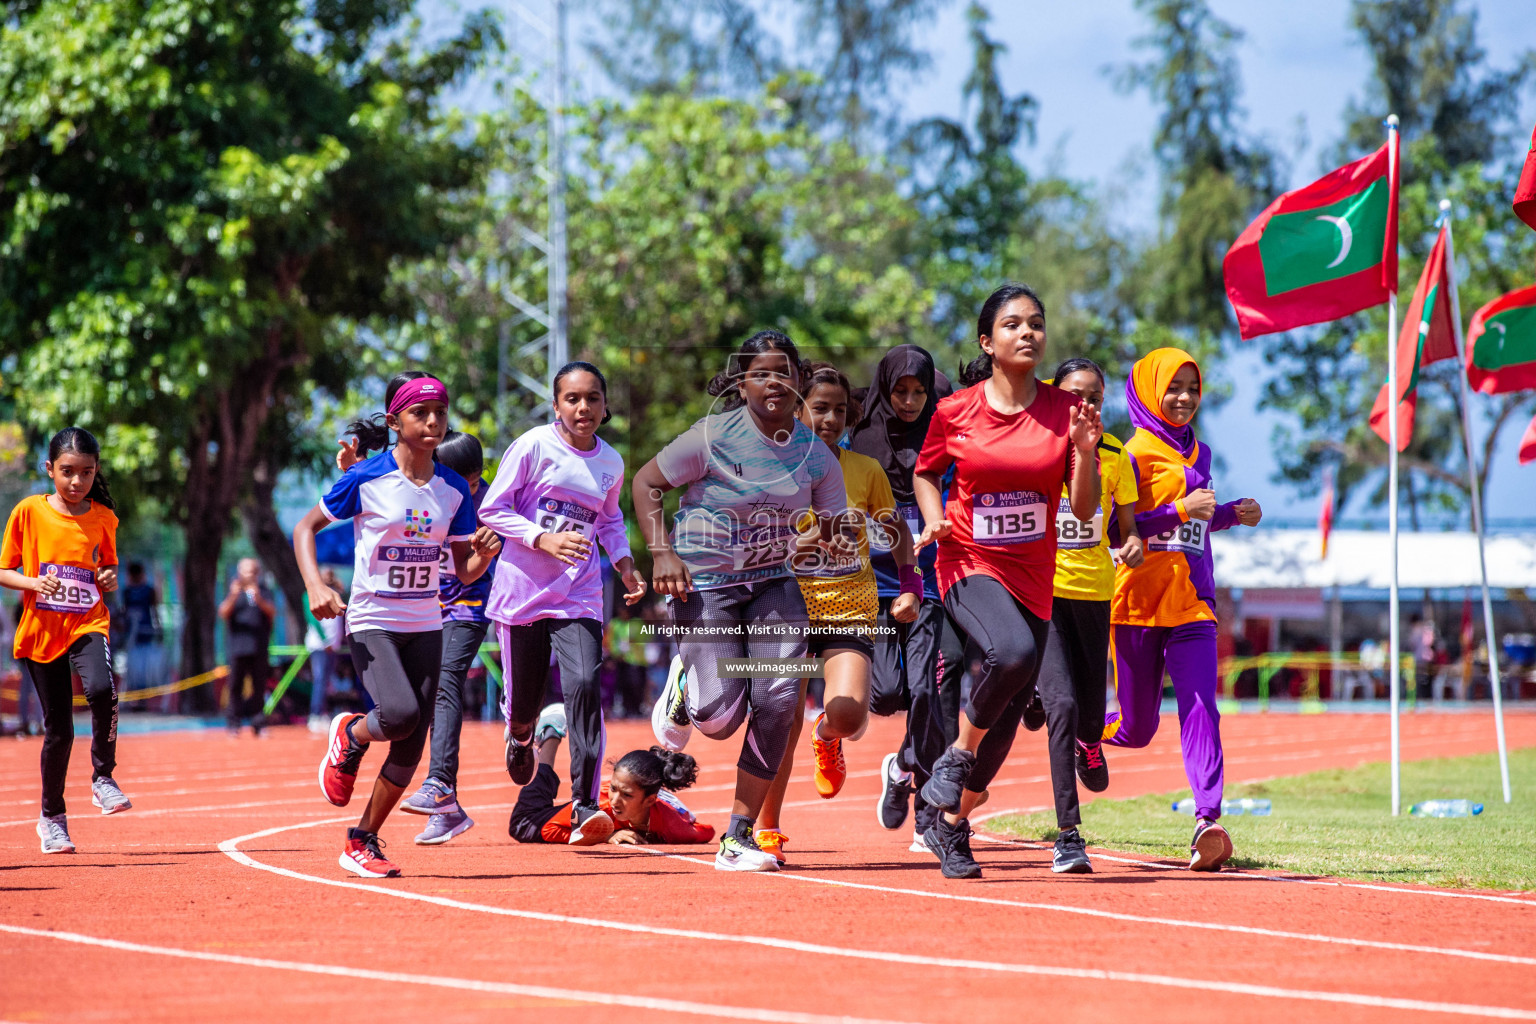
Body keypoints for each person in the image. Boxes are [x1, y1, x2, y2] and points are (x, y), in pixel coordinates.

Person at [633, 330, 848, 873]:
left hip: (775, 583)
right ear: (741, 382)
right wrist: (662, 555)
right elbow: (646, 483)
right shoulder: (711, 437)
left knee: (779, 701)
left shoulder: (816, 455)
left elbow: (831, 527)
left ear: (799, 381)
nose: (774, 383)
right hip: (705, 585)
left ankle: (738, 836)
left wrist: (815, 538)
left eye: (784, 372)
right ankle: (687, 684)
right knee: (720, 720)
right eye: (761, 373)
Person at [912, 284, 1102, 880]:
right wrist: (934, 517)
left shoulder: (1064, 412)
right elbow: (925, 472)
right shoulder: (955, 412)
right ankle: (956, 754)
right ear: (987, 342)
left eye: (1037, 324)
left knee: (1007, 713)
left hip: (1033, 575)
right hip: (967, 562)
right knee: (1012, 653)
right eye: (1014, 324)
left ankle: (949, 827)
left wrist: (1088, 452)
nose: (1028, 333)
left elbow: (1084, 506)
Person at [294, 371, 500, 878]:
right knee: (402, 712)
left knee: (411, 741)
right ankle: (352, 734)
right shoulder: (367, 478)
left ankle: (362, 838)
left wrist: (485, 557)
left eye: (440, 414)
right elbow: (305, 528)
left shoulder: (454, 488)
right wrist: (315, 587)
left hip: (427, 620)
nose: (433, 423)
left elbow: (459, 569)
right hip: (372, 619)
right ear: (395, 421)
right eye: (420, 414)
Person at [753, 361, 920, 864]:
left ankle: (827, 737)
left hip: (850, 608)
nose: (830, 418)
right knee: (780, 720)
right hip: (787, 607)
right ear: (798, 409)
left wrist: (909, 585)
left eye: (841, 411)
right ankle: (767, 829)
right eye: (820, 407)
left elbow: (899, 536)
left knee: (848, 712)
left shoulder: (866, 472)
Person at [1103, 347, 1263, 872]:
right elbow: (1115, 530)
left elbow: (1198, 521)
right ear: (1149, 390)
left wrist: (1232, 514)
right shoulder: (1132, 453)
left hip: (1193, 602)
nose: (1184, 398)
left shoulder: (1204, 453)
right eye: (1174, 387)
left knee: (1201, 710)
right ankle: (1080, 724)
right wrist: (1176, 509)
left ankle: (1207, 821)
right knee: (1136, 729)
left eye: (1193, 388)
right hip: (1137, 605)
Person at [478, 361, 646, 849]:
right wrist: (541, 538)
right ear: (556, 405)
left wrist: (624, 561)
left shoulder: (610, 462)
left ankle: (586, 803)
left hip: (579, 592)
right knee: (525, 703)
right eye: (572, 399)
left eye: (592, 398)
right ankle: (522, 733)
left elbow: (610, 519)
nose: (583, 407)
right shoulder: (533, 446)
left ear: (605, 404)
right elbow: (494, 508)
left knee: (585, 685)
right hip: (524, 591)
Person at [1026, 357, 1145, 873]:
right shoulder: (1037, 452)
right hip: (1044, 592)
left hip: (1096, 593)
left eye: (1095, 396)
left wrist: (1135, 544)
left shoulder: (1117, 455)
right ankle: (1069, 836)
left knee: (1090, 714)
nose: (1086, 404)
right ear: (1056, 397)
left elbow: (1126, 526)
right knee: (1063, 706)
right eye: (1076, 395)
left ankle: (1089, 744)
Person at [848, 345, 968, 854]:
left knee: (935, 690)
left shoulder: (943, 431)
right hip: (874, 581)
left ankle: (926, 817)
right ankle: (899, 766)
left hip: (931, 574)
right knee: (888, 695)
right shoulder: (862, 438)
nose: (911, 400)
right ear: (884, 388)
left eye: (920, 391)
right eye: (901, 390)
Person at [0, 427, 131, 854]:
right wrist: (35, 583)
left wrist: (109, 576)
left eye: (87, 473)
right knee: (59, 731)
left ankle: (103, 777)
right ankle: (52, 819)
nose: (77, 482)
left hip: (87, 623)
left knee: (101, 688)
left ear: (96, 472)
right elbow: (3, 570)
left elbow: (108, 570)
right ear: (49, 470)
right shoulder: (29, 512)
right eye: (68, 472)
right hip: (42, 632)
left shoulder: (103, 518)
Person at [510, 705, 714, 846]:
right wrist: (604, 835)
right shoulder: (601, 805)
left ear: (650, 800)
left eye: (626, 795)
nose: (615, 800)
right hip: (540, 817)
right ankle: (550, 732)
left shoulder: (672, 827)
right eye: (614, 789)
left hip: (662, 808)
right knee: (523, 824)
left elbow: (707, 832)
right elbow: (549, 829)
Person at [219, 558, 275, 736]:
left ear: (256, 573)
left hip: (259, 645)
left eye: (249, 571)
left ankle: (258, 723)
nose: (245, 575)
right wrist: (233, 595)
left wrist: (258, 597)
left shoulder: (264, 590)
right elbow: (223, 612)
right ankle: (233, 724)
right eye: (242, 571)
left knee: (259, 686)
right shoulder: (233, 591)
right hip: (237, 647)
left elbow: (272, 612)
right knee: (235, 686)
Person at [306, 567, 346, 732]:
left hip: (333, 645)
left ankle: (323, 713)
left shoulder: (335, 593)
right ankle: (314, 715)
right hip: (320, 645)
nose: (327, 578)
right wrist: (325, 640)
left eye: (330, 575)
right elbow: (312, 619)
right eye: (324, 575)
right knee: (320, 679)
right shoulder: (310, 593)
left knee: (328, 681)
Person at [118, 563, 165, 699]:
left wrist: (158, 628)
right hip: (132, 637)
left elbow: (154, 610)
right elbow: (125, 611)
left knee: (146, 668)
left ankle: (144, 697)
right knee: (132, 668)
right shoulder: (127, 591)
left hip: (146, 634)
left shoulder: (149, 590)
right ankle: (134, 696)